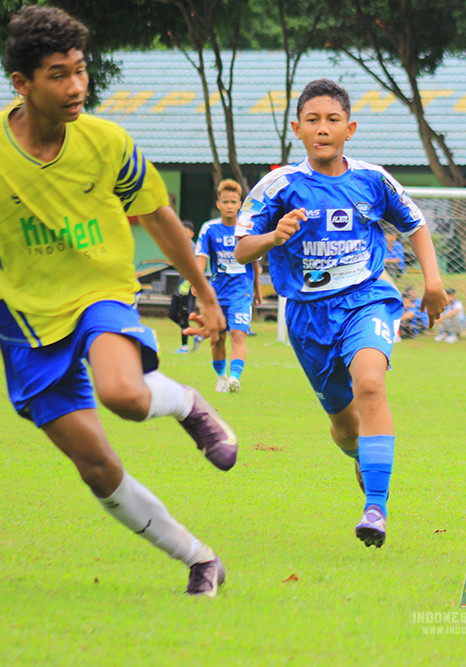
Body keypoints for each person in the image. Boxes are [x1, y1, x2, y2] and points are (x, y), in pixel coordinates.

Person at [0, 6, 235, 596]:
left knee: (124, 396)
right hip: (23, 320)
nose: (77, 86)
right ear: (21, 84)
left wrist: (206, 296)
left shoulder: (107, 143)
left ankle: (185, 402)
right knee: (96, 467)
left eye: (81, 70)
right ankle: (198, 558)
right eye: (58, 74)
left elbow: (159, 217)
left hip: (100, 292)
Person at [234, 78, 446, 548]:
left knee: (371, 382)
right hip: (307, 319)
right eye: (313, 120)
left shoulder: (372, 179)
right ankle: (359, 454)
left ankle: (376, 506)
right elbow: (242, 247)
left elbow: (416, 224)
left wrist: (432, 282)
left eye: (332, 120)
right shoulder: (279, 186)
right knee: (345, 426)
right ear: (297, 129)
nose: (323, 128)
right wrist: (273, 237)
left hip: (366, 298)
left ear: (350, 128)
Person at [195, 179, 263, 393]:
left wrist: (257, 290)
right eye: (225, 202)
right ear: (218, 204)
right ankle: (221, 376)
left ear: (240, 204)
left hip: (241, 292)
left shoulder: (247, 229)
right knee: (217, 339)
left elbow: (255, 262)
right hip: (217, 294)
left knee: (238, 334)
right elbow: (202, 257)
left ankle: (234, 378)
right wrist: (197, 282)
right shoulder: (209, 229)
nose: (229, 206)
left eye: (233, 201)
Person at [168, 220, 200, 354]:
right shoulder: (180, 246)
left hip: (189, 285)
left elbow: (197, 266)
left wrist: (191, 283)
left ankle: (184, 346)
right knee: (172, 314)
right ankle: (196, 335)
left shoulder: (194, 248)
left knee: (183, 315)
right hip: (181, 284)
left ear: (191, 234)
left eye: (186, 232)